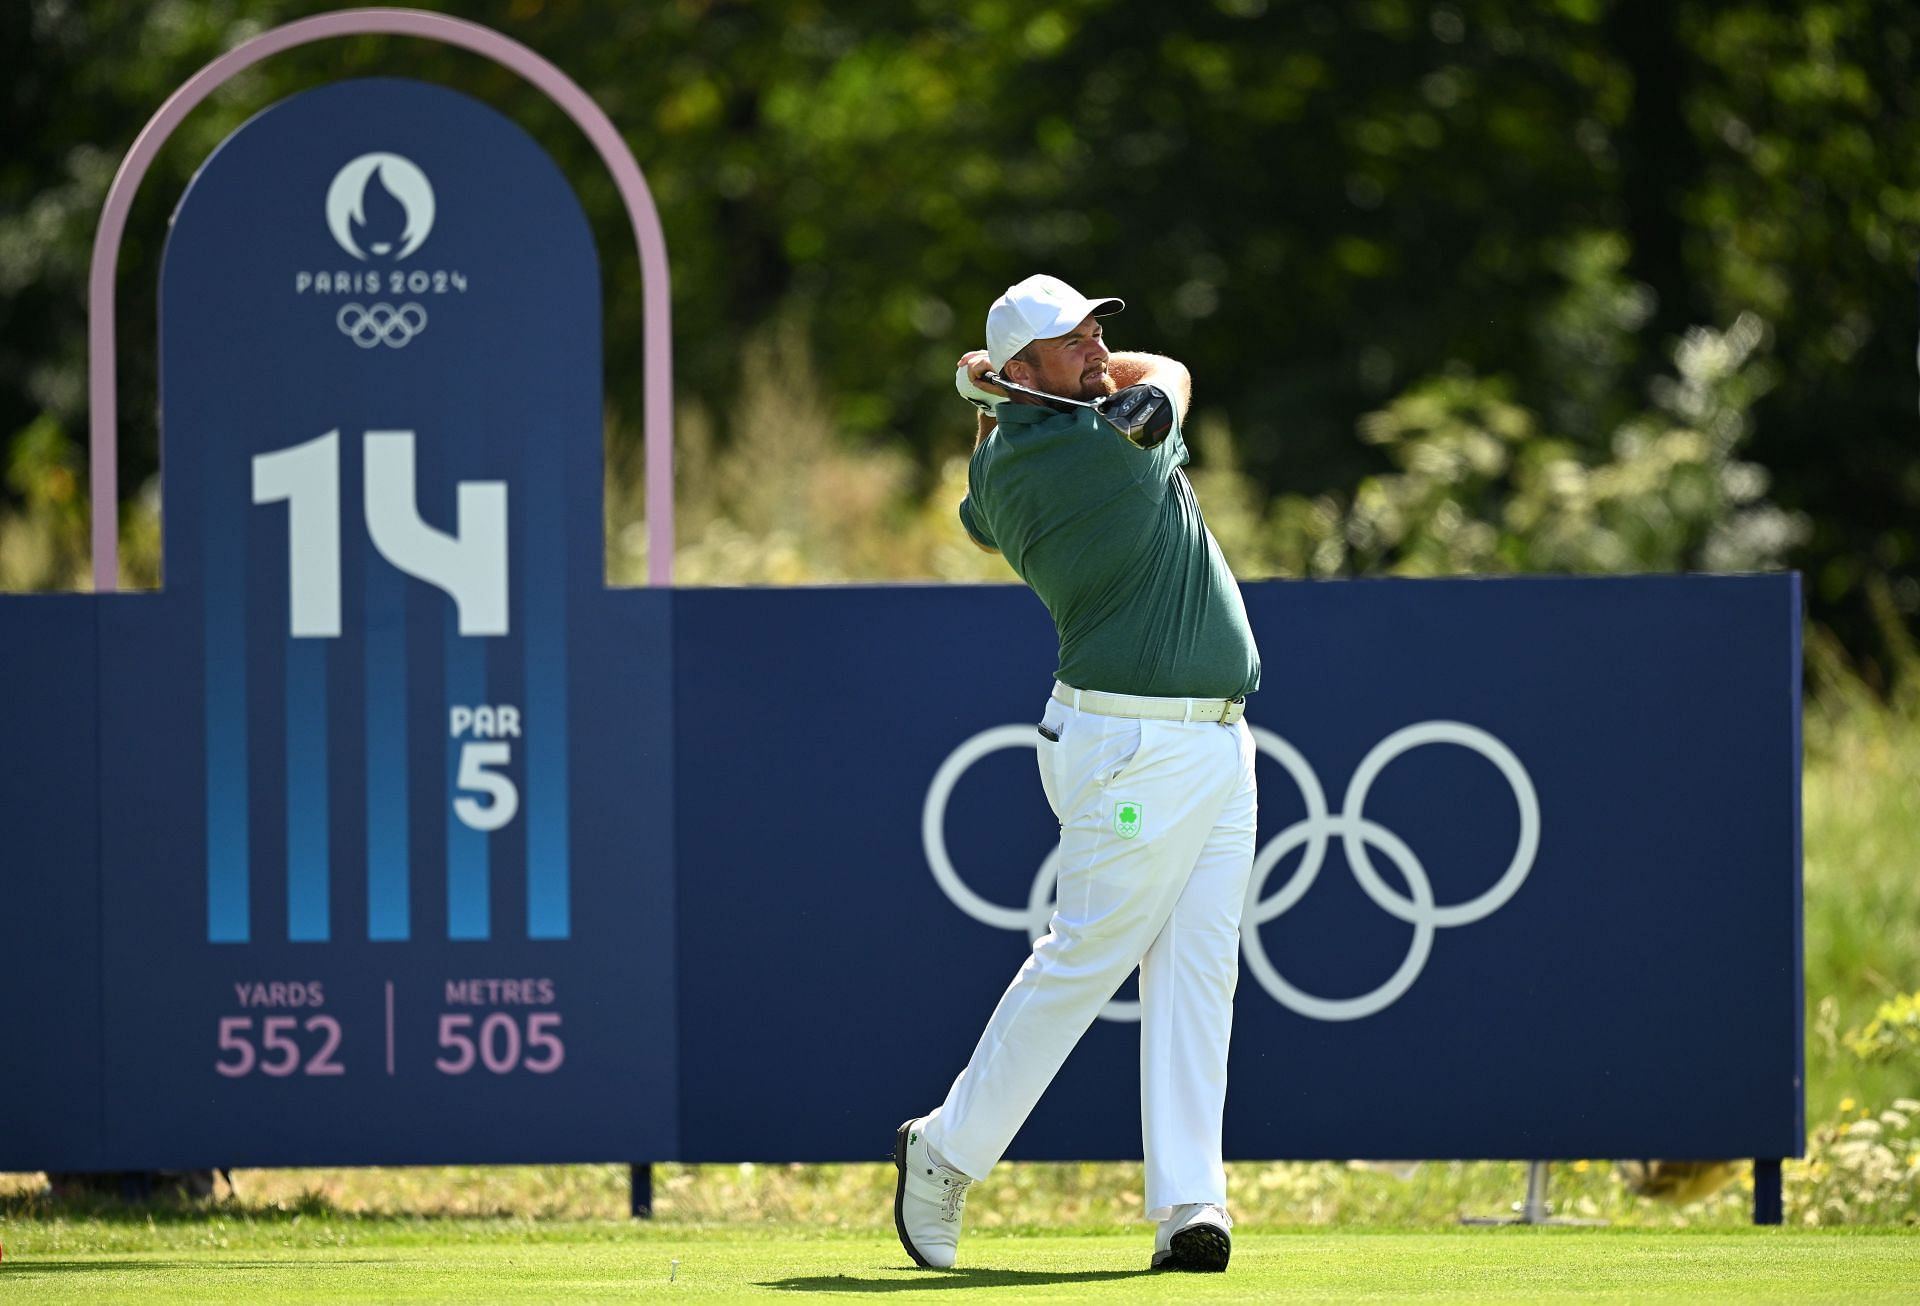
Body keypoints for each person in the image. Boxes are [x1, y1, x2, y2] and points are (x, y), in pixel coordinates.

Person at [894, 273, 1261, 1272]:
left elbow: (976, 504)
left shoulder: (1010, 458)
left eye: (1098, 327)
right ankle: (946, 1150)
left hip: (1213, 741)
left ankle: (1190, 1203)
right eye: (1070, 340)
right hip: (1139, 745)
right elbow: (1173, 373)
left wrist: (994, 399)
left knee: (1198, 972)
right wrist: (1031, 396)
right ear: (1022, 370)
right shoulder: (1102, 456)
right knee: (1086, 957)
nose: (1098, 347)